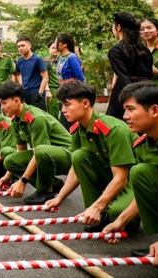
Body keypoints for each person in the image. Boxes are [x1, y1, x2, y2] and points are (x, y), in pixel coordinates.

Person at [45, 81, 136, 233]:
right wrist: (59, 198)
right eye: (62, 105)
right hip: (111, 178)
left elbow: (121, 177)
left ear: (86, 103)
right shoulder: (77, 129)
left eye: (67, 104)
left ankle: (117, 215)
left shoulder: (113, 130)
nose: (63, 110)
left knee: (115, 213)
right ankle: (96, 214)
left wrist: (98, 207)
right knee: (79, 156)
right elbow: (76, 168)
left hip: (133, 182)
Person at [103, 82, 158, 268]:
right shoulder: (143, 145)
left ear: (154, 110)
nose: (125, 117)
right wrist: (121, 221)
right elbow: (145, 191)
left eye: (130, 109)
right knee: (140, 173)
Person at [0, 82, 72, 204]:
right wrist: (8, 175)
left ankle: (45, 191)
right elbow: (21, 151)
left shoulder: (37, 118)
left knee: (41, 151)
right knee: (10, 161)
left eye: (4, 103)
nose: (2, 108)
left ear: (16, 101)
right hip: (46, 156)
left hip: (67, 157)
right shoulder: (16, 120)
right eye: (1, 104)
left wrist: (22, 181)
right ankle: (54, 184)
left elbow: (39, 152)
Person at [106, 11, 152, 119]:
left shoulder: (116, 51)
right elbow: (149, 75)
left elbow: (123, 78)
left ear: (118, 27)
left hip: (126, 96)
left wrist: (132, 102)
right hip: (147, 92)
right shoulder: (144, 49)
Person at [14, 36, 50, 111]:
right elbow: (17, 74)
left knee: (40, 117)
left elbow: (45, 77)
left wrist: (40, 92)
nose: (20, 48)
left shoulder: (37, 59)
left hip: (36, 93)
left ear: (29, 46)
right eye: (18, 46)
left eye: (23, 45)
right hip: (25, 94)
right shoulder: (19, 62)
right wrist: (21, 85)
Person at [140, 18, 158, 89]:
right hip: (143, 91)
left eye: (149, 28)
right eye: (142, 29)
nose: (145, 31)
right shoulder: (138, 50)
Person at [44, 41, 62, 124]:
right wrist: (47, 91)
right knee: (53, 116)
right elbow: (44, 77)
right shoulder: (46, 62)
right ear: (48, 49)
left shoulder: (62, 61)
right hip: (53, 91)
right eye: (53, 48)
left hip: (63, 90)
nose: (55, 50)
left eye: (57, 48)